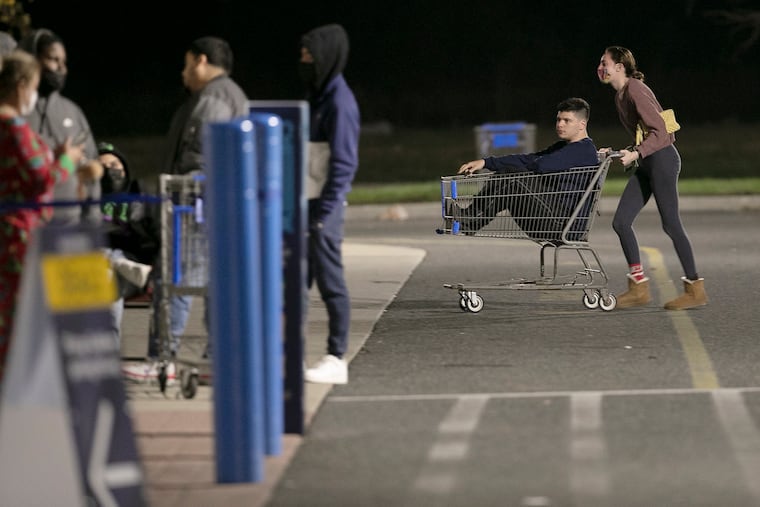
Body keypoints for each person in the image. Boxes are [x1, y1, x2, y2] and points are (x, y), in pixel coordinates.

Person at [122, 36, 249, 382]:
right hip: (213, 207)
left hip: (195, 209)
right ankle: (215, 361)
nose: (183, 72)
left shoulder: (214, 99)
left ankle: (163, 358)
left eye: (187, 63)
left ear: (202, 61)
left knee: (173, 282)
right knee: (210, 286)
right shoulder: (227, 95)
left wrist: (178, 195)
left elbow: (200, 157)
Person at [0, 50, 98, 383]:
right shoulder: (13, 127)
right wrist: (68, 160)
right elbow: (42, 179)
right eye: (35, 86)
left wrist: (52, 154)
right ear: (22, 85)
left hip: (15, 237)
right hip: (18, 239)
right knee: (19, 321)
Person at [596, 46, 707, 310]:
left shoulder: (635, 89)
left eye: (604, 63)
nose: (600, 68)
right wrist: (619, 151)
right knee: (621, 222)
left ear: (620, 67)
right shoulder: (621, 95)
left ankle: (695, 289)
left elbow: (663, 133)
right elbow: (641, 135)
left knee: (671, 225)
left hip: (663, 161)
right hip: (648, 163)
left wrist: (636, 153)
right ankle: (639, 288)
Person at [300, 24, 360, 385]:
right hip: (306, 202)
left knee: (330, 281)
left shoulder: (339, 102)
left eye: (308, 55)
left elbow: (343, 163)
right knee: (296, 282)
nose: (303, 61)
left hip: (323, 207)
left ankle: (336, 357)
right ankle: (291, 350)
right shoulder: (316, 96)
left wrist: (324, 213)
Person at [455, 97, 599, 237]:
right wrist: (486, 162)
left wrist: (523, 166)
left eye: (567, 120)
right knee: (512, 173)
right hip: (550, 213)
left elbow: (542, 165)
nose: (560, 124)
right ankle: (470, 219)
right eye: (558, 119)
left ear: (582, 124)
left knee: (513, 177)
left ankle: (470, 220)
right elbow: (529, 159)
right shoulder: (562, 147)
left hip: (564, 223)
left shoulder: (583, 149)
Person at [18, 28, 102, 226]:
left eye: (64, 62)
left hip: (69, 227)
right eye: (53, 60)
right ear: (32, 60)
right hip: (25, 228)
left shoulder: (72, 112)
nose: (61, 68)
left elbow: (91, 171)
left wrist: (92, 220)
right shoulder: (15, 111)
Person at [98, 142, 157, 344]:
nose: (110, 170)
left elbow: (149, 235)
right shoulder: (86, 198)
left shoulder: (138, 194)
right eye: (103, 166)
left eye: (115, 164)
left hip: (136, 270)